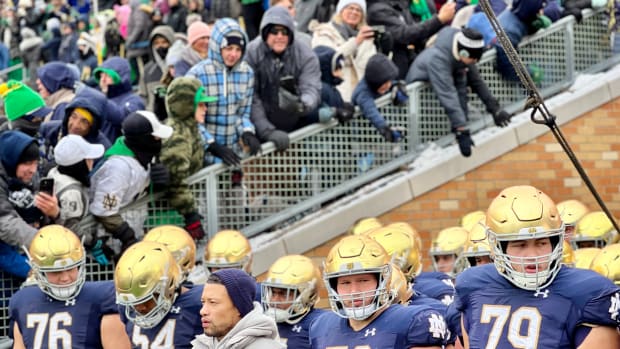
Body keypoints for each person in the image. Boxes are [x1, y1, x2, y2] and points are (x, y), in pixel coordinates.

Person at [455, 185, 620, 348]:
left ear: (556, 241)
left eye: (541, 243)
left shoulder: (588, 292)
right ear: (498, 246)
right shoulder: (473, 284)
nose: (532, 255)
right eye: (520, 245)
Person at [310, 235, 447, 348]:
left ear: (384, 280)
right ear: (333, 286)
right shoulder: (321, 326)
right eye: (345, 283)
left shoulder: (413, 321)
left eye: (363, 281)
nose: (354, 291)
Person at [9, 225, 131, 349]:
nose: (65, 278)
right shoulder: (23, 300)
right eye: (56, 272)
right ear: (38, 270)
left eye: (71, 268)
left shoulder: (103, 296)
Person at [407, 27, 512, 157]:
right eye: (473, 60)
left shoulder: (462, 55)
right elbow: (448, 94)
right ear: (464, 54)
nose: (475, 63)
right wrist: (461, 129)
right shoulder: (438, 60)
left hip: (439, 97)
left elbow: (475, 82)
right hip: (423, 104)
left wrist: (495, 109)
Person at [89, 111, 173, 264]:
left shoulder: (139, 153)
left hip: (133, 227)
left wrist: (158, 182)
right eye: (155, 137)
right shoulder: (118, 168)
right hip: (106, 242)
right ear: (143, 139)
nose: (159, 140)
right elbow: (104, 211)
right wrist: (126, 235)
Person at [187, 18, 261, 166]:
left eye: (238, 49)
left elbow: (243, 112)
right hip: (204, 156)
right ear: (217, 47)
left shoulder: (246, 73)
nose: (233, 54)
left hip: (233, 156)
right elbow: (189, 119)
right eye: (229, 48)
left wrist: (247, 131)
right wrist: (211, 145)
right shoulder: (197, 74)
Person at [245, 5, 321, 151]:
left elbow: (312, 87)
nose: (280, 36)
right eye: (274, 31)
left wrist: (302, 104)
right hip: (261, 126)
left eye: (284, 32)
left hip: (296, 122)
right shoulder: (252, 53)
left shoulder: (305, 54)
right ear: (266, 33)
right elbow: (251, 97)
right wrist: (267, 131)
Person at [115, 240, 204, 347]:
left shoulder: (198, 302)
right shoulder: (126, 308)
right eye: (134, 303)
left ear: (168, 285)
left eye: (145, 301)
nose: (139, 308)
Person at [0, 131, 61, 279]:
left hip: (24, 249)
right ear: (11, 160)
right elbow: (4, 221)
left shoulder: (32, 177)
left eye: (35, 163)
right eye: (27, 163)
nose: (33, 170)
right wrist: (43, 242)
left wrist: (54, 213)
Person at [159, 77, 211, 241]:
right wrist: (191, 215)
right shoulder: (177, 135)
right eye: (201, 104)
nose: (205, 109)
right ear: (186, 106)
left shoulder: (190, 129)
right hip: (171, 215)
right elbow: (176, 181)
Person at [191, 268, 284, 348]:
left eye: (213, 302)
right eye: (203, 302)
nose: (202, 311)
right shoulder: (202, 345)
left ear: (238, 308)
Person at [366, 0, 455, 79]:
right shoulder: (377, 10)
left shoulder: (407, 4)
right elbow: (404, 34)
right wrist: (439, 19)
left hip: (413, 64)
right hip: (395, 72)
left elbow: (416, 32)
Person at [311, 0, 377, 102]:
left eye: (358, 10)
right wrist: (355, 42)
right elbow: (328, 59)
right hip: (338, 94)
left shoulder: (366, 36)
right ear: (340, 11)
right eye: (350, 8)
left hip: (363, 98)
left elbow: (372, 65)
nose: (354, 12)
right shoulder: (324, 32)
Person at [262, 254, 327, 348]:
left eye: (284, 294)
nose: (275, 300)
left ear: (306, 295)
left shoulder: (319, 324)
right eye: (273, 293)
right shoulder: (264, 323)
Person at [47, 135, 104, 232]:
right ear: (79, 164)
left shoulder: (55, 171)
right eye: (88, 158)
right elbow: (72, 228)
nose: (92, 161)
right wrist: (92, 241)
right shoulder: (72, 192)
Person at [351, 53, 408, 143]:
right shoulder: (363, 93)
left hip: (377, 135)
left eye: (389, 82)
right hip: (363, 138)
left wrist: (397, 86)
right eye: (385, 83)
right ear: (375, 81)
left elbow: (390, 83)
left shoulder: (382, 83)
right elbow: (371, 111)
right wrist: (385, 129)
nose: (388, 85)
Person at [93, 56, 146, 141]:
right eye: (101, 76)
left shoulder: (134, 100)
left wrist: (101, 99)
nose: (103, 80)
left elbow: (124, 120)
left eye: (107, 76)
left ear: (121, 77)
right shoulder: (99, 99)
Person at [140, 25, 175, 112]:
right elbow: (142, 96)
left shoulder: (180, 66)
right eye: (156, 43)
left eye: (164, 42)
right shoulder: (148, 70)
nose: (160, 46)